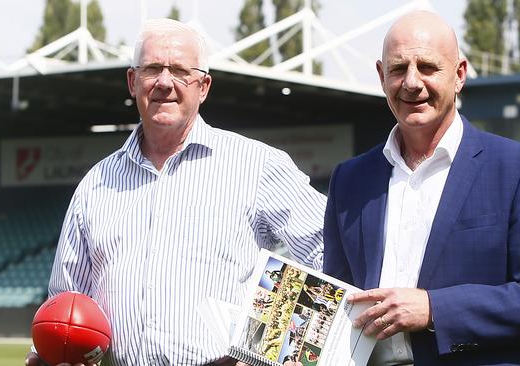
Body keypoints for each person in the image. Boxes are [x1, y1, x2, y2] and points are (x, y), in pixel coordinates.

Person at [26, 18, 320, 366]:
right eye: (152, 69)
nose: (165, 82)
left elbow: (330, 250)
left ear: (204, 86)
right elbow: (67, 299)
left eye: (180, 70)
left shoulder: (258, 166)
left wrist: (265, 347)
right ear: (133, 82)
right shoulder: (96, 184)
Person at [323, 10, 520, 366]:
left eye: (427, 67)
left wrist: (434, 309)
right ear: (381, 76)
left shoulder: (517, 168)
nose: (411, 82)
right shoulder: (349, 179)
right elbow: (336, 297)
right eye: (398, 69)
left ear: (459, 75)